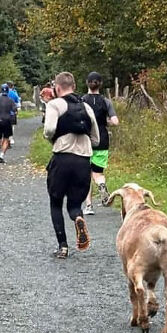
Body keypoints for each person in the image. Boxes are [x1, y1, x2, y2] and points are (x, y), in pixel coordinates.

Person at [43, 71, 100, 258]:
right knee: (75, 204)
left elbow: (49, 129)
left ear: (57, 88)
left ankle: (63, 246)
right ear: (74, 87)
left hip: (62, 159)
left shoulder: (54, 104)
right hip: (83, 161)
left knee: (55, 202)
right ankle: (78, 218)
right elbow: (96, 139)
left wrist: (51, 138)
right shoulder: (86, 107)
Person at [81, 71, 119, 215]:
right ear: (100, 84)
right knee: (98, 172)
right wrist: (105, 121)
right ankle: (101, 185)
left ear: (87, 83)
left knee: (85, 174)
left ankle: (89, 206)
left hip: (85, 140)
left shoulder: (82, 100)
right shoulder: (106, 102)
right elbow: (115, 121)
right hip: (102, 140)